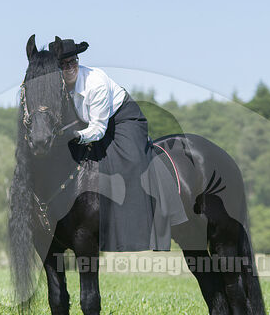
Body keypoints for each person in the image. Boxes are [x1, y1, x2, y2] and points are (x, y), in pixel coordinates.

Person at [48, 37, 186, 252]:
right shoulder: (56, 86)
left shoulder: (96, 82)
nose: (69, 68)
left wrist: (74, 135)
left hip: (122, 120)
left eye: (73, 62)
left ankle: (146, 225)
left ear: (78, 60)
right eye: (63, 65)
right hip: (86, 126)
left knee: (130, 163)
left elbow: (98, 129)